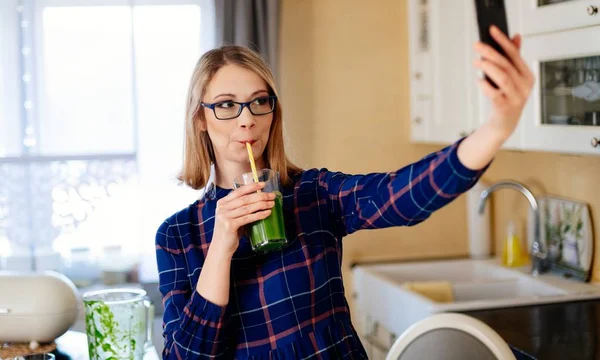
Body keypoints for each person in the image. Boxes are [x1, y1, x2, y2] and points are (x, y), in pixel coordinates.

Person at [155, 26, 534, 359]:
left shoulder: (313, 195)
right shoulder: (177, 235)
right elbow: (186, 355)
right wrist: (222, 244)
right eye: (225, 105)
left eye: (259, 101)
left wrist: (497, 128)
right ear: (200, 119)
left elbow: (400, 195)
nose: (246, 118)